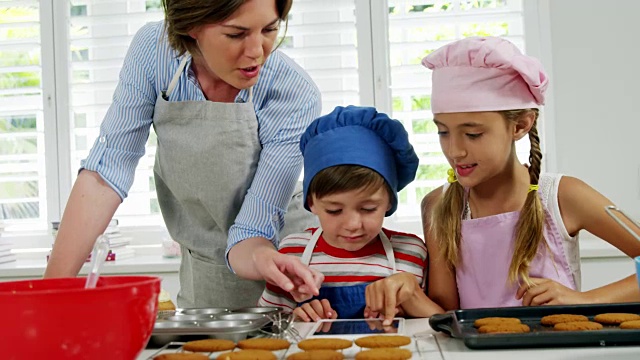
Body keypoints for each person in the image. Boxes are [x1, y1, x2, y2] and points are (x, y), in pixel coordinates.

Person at [44, 0, 325, 309]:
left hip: (285, 272)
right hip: (203, 275)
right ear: (191, 25)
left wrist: (266, 258)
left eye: (270, 29)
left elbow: (253, 227)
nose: (257, 50)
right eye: (236, 34)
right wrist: (50, 296)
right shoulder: (154, 52)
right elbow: (108, 170)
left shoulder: (293, 93)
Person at [366, 36, 640, 316]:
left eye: (473, 134)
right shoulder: (437, 206)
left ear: (520, 126)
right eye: (443, 131)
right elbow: (446, 317)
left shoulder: (563, 197)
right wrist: (409, 291)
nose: (455, 150)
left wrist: (587, 301)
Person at [258, 105, 444, 322]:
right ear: (312, 203)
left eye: (368, 209)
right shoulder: (292, 254)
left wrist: (413, 304)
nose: (353, 224)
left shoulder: (411, 252)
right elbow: (268, 328)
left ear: (389, 201)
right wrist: (297, 322)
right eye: (334, 210)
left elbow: (440, 327)